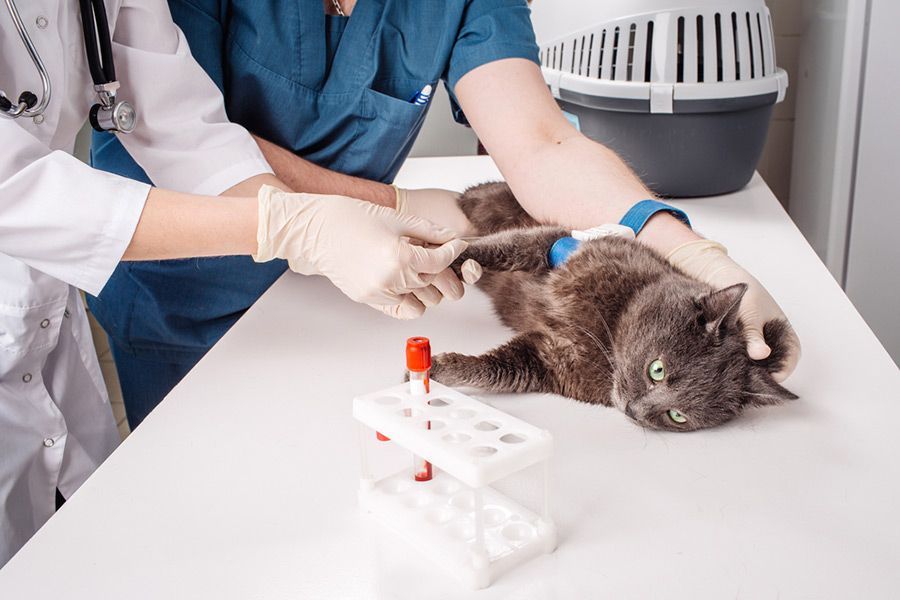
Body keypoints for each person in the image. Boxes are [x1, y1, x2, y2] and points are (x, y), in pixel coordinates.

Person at [90, 0, 801, 430]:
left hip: (347, 293)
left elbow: (541, 142)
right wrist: (380, 206)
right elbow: (183, 132)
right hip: (184, 290)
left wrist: (691, 250)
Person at [0, 0, 465, 567]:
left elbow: (180, 123)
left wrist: (308, 224)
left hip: (38, 318)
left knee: (73, 554)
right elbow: (16, 191)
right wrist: (287, 226)